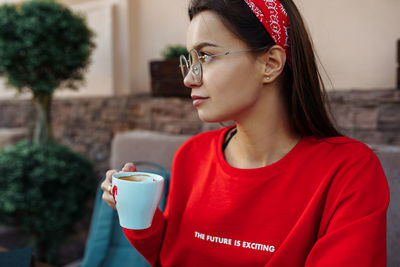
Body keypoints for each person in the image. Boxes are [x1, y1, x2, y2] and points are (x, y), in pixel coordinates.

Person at [101, 0, 390, 266]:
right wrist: (138, 214)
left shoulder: (349, 171)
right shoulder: (191, 155)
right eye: (190, 60)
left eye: (206, 56)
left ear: (270, 64)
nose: (189, 78)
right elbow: (172, 257)